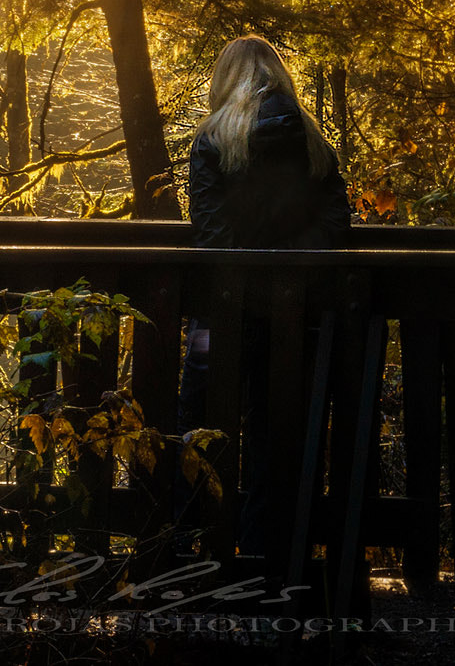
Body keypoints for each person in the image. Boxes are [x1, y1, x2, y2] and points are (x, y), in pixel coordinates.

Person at [179, 35, 351, 557]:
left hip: (225, 315)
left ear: (224, 80)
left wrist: (243, 284)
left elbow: (210, 234)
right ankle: (268, 556)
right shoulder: (313, 141)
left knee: (200, 425)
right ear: (279, 76)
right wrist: (291, 274)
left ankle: (199, 548)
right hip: (297, 315)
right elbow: (335, 224)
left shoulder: (214, 140)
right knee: (280, 435)